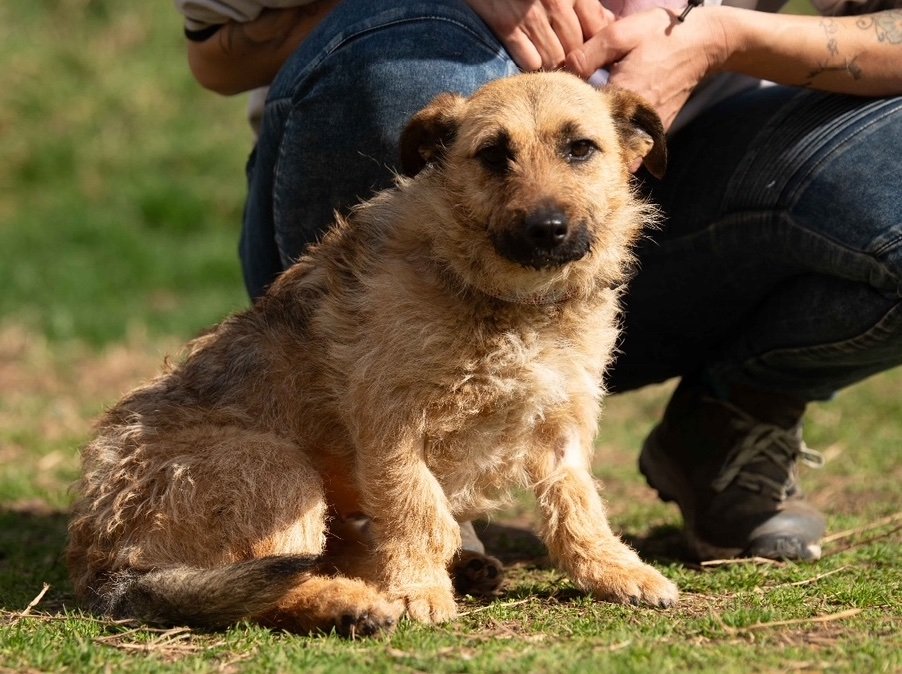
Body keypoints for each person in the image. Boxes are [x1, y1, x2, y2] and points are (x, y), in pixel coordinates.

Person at [175, 0, 902, 562]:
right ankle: (393, 494)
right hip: (417, 245)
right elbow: (214, 53)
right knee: (397, 46)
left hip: (661, 192)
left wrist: (720, 37)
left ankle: (730, 421)